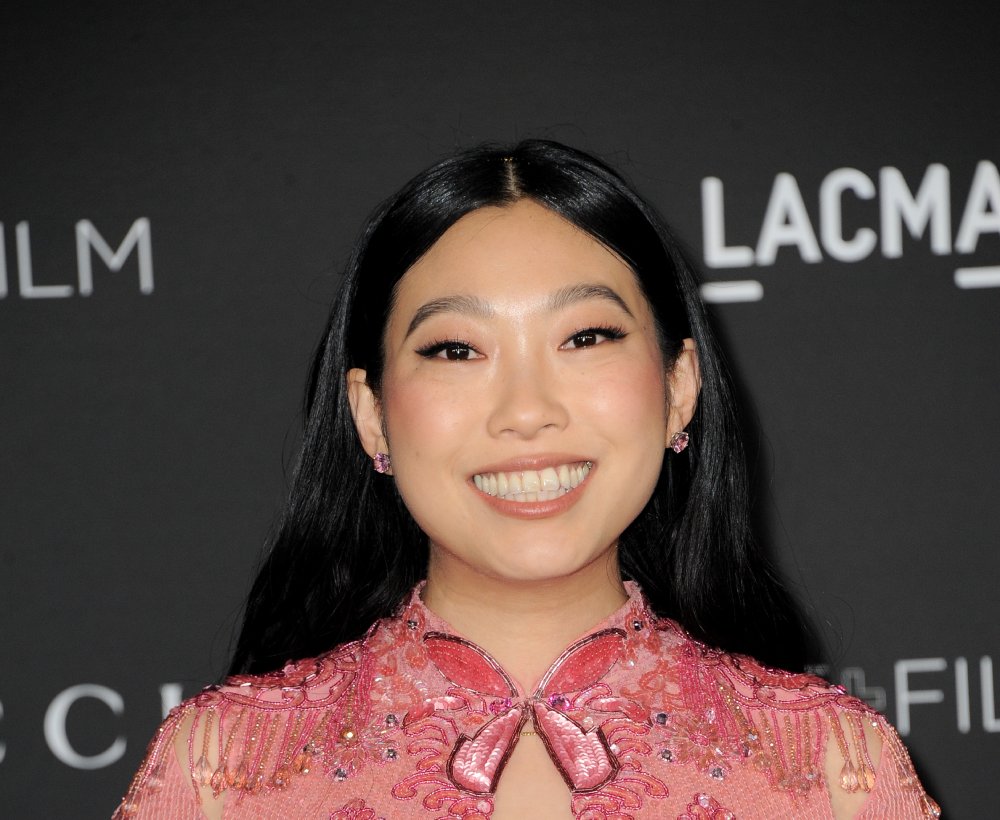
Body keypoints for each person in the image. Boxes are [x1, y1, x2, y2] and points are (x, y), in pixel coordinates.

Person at [115, 140, 938, 819]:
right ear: (370, 414)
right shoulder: (223, 772)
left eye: (585, 337)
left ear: (679, 387)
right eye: (456, 350)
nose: (526, 410)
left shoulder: (832, 769)